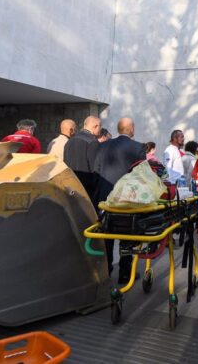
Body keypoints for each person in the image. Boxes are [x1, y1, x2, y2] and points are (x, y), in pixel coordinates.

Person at [94, 117, 146, 284]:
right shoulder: (138, 147)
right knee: (127, 236)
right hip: (126, 199)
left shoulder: (102, 146)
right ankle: (125, 272)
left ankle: (107, 269)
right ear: (130, 129)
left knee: (107, 235)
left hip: (105, 198)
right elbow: (141, 175)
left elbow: (96, 170)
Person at [63, 116, 102, 198]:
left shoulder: (69, 141)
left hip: (70, 186)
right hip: (87, 190)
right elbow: (96, 169)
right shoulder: (92, 142)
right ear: (96, 126)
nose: (101, 129)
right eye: (100, 126)